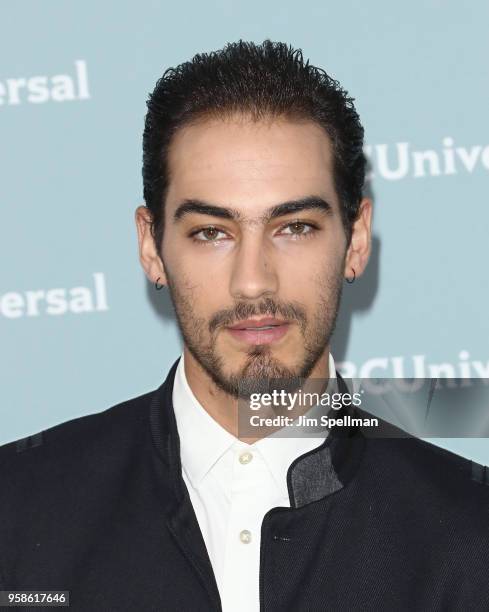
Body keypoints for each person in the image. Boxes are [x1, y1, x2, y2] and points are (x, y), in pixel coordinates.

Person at [1, 39, 488, 612]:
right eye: (211, 232)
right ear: (151, 247)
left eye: (295, 227)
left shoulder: (470, 538)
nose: (253, 282)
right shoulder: (17, 509)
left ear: (355, 240)